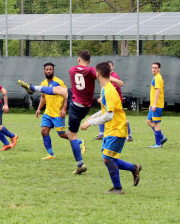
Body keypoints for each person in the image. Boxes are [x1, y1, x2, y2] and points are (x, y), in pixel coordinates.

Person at [19, 50, 124, 174]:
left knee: (72, 136)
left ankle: (80, 164)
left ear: (78, 59)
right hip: (84, 103)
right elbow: (103, 76)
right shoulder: (91, 70)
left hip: (76, 105)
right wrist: (117, 81)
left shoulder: (72, 70)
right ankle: (32, 88)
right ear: (89, 61)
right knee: (58, 89)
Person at [80, 62, 141, 194]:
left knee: (107, 158)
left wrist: (90, 123)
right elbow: (105, 110)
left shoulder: (108, 91)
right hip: (111, 129)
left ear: (98, 74)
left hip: (117, 128)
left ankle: (118, 188)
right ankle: (134, 168)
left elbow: (109, 115)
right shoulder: (105, 89)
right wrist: (92, 117)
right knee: (108, 158)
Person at [35, 63, 68, 160]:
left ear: (53, 70)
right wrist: (39, 108)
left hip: (58, 113)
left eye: (50, 69)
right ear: (44, 71)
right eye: (47, 69)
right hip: (48, 113)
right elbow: (43, 97)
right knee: (44, 131)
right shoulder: (43, 83)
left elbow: (66, 96)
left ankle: (79, 142)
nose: (48, 71)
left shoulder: (59, 82)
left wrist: (64, 109)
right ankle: (51, 154)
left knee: (62, 134)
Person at [95, 61, 132, 142]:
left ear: (113, 67)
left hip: (116, 101)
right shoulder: (106, 77)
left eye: (111, 66)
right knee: (106, 115)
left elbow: (112, 89)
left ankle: (128, 135)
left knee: (120, 118)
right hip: (110, 100)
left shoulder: (114, 76)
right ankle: (102, 134)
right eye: (108, 66)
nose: (110, 67)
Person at [147, 62, 168, 148]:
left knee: (156, 123)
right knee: (149, 121)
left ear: (159, 69)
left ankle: (158, 143)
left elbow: (157, 91)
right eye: (153, 67)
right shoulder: (155, 77)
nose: (154, 69)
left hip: (157, 104)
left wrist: (154, 104)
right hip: (154, 104)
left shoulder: (157, 78)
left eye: (156, 68)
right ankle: (162, 137)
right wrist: (151, 104)